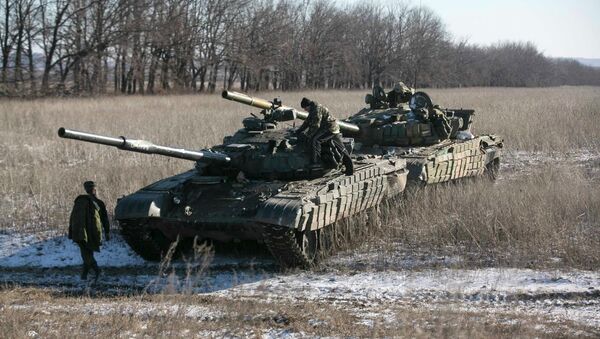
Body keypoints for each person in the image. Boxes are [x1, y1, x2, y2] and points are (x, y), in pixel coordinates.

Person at [296, 98, 353, 175]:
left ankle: (317, 162)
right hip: (332, 128)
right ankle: (349, 169)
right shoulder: (313, 109)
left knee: (315, 140)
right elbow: (307, 122)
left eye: (305, 108)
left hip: (330, 128)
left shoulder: (316, 110)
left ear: (308, 105)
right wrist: (299, 130)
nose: (305, 110)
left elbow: (316, 125)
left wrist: (307, 135)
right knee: (341, 148)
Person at [68, 181, 110, 281]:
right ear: (95, 189)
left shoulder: (79, 202)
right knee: (87, 253)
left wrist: (71, 231)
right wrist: (107, 232)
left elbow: (72, 218)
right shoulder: (99, 203)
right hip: (94, 233)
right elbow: (105, 219)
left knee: (86, 253)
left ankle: (91, 273)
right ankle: (90, 273)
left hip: (80, 232)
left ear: (86, 190)